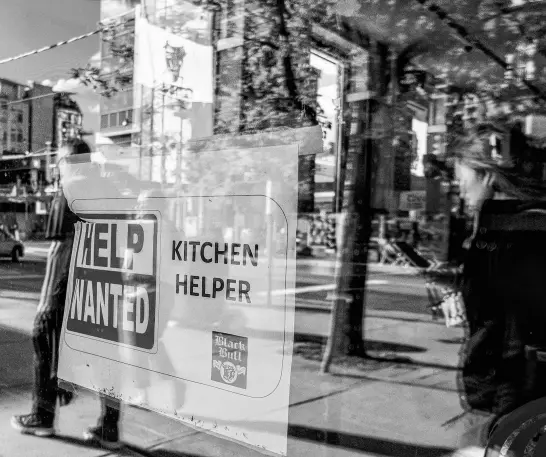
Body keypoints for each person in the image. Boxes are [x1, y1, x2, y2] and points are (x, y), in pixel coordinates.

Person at [11, 140, 122, 450]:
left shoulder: (70, 189)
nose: (58, 168)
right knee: (106, 358)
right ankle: (109, 427)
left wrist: (45, 302)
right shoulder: (108, 190)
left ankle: (42, 417)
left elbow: (60, 249)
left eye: (59, 161)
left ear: (69, 162)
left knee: (42, 338)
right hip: (104, 287)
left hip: (69, 287)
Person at [451, 130, 546, 455]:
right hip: (498, 396)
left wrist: (504, 418)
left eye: (463, 179)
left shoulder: (521, 233)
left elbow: (518, 335)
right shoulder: (497, 228)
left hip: (507, 399)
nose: (460, 189)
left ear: (489, 176)